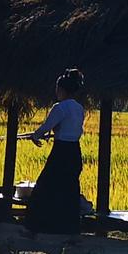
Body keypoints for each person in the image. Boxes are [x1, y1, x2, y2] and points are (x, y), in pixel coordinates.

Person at [23, 68, 87, 235]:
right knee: (69, 190)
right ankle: (69, 228)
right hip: (74, 151)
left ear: (62, 89)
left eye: (57, 88)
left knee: (44, 187)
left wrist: (35, 136)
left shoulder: (59, 107)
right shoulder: (79, 108)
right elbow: (68, 128)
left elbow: (46, 127)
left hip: (61, 152)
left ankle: (34, 226)